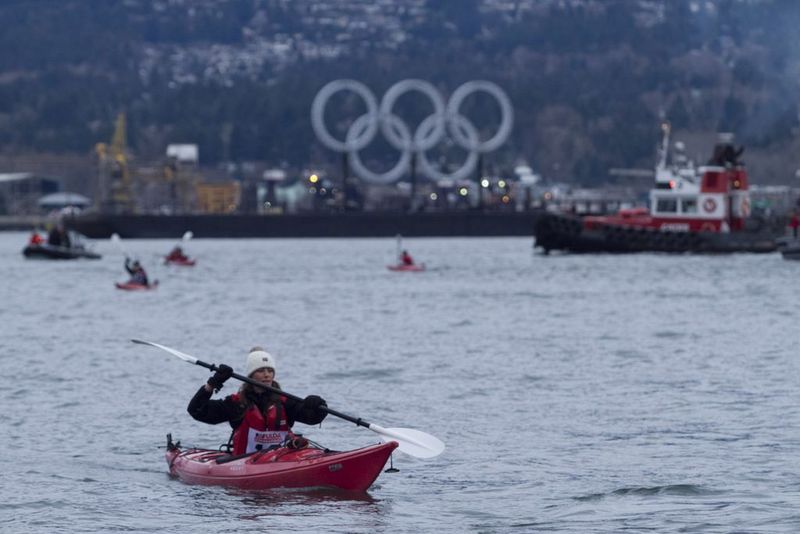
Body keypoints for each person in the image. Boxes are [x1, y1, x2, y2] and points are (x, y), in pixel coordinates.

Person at [187, 347, 328, 455]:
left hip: (282, 459)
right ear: (251, 375)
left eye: (270, 370)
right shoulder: (236, 403)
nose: (267, 374)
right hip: (244, 463)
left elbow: (311, 418)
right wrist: (212, 384)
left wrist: (318, 405)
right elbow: (197, 410)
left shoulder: (285, 401)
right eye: (261, 370)